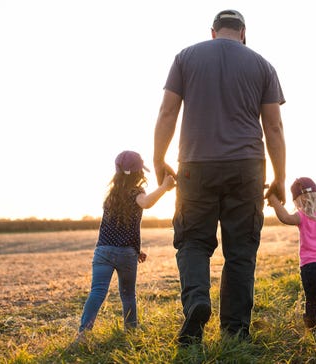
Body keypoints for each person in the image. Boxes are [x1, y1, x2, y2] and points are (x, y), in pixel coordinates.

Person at [153, 9, 287, 345]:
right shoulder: (263, 65)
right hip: (247, 167)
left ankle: (197, 301)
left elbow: (167, 112)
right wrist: (280, 177)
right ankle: (235, 331)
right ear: (243, 32)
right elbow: (273, 126)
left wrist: (158, 159)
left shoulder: (186, 58)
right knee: (241, 250)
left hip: (196, 165)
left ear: (213, 32)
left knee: (193, 241)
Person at [76, 150, 175, 340]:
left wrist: (137, 249)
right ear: (139, 172)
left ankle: (83, 334)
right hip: (125, 254)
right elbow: (146, 203)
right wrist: (164, 187)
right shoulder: (136, 192)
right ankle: (131, 333)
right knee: (128, 295)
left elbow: (115, 227)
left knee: (97, 291)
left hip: (103, 250)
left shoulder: (111, 195)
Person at [267, 177, 316, 340]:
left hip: (309, 268)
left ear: (297, 201)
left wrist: (273, 199)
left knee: (311, 300)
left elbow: (285, 218)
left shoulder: (301, 217)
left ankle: (310, 330)